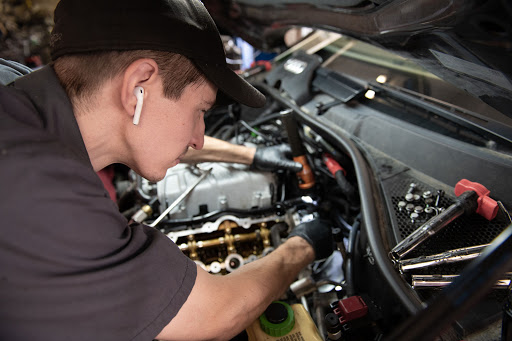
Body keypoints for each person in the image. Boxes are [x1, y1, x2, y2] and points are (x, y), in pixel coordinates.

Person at [0, 1, 332, 340]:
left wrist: (250, 155)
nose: (199, 139)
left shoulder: (18, 88)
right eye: (201, 110)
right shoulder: (46, 196)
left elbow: (146, 130)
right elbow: (215, 313)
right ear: (138, 86)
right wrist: (304, 244)